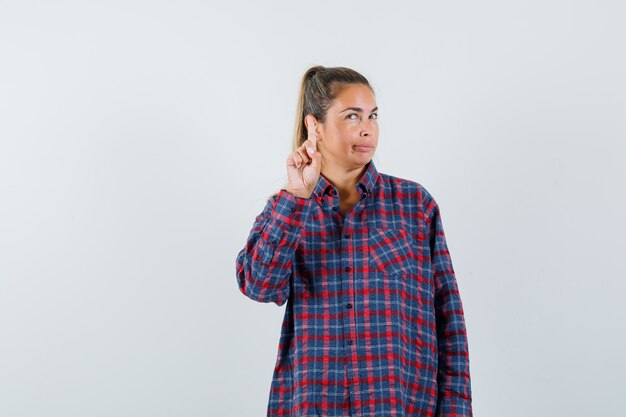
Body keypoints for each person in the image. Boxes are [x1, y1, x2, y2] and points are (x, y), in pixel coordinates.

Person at [235, 65, 473, 417]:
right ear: (314, 126)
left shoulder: (414, 205)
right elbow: (259, 285)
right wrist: (296, 196)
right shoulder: (287, 208)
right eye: (351, 116)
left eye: (373, 116)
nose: (367, 128)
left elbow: (449, 322)